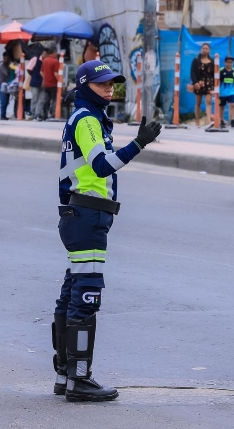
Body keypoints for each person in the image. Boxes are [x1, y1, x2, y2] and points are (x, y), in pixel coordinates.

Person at [51, 60, 163, 402]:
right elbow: (100, 166)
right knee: (86, 294)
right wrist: (138, 144)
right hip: (87, 215)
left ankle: (65, 376)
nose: (109, 88)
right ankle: (79, 380)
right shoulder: (87, 120)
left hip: (81, 213)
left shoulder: (86, 116)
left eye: (112, 82)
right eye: (102, 83)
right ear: (85, 86)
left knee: (72, 291)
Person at [188, 43, 215, 126]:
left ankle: (208, 120)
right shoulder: (196, 60)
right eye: (203, 48)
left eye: (206, 48)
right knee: (198, 103)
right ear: (201, 49)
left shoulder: (212, 61)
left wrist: (214, 85)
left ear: (209, 50)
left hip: (209, 84)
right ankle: (197, 121)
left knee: (208, 102)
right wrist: (195, 82)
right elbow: (192, 72)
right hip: (199, 84)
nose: (204, 50)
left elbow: (214, 74)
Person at [38, 50, 61, 121]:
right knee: (54, 100)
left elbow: (41, 72)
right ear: (54, 52)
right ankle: (53, 114)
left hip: (46, 84)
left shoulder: (45, 61)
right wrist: (60, 81)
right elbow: (56, 73)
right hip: (53, 84)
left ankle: (44, 114)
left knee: (46, 100)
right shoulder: (55, 61)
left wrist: (46, 77)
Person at [219, 56, 234, 127]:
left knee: (232, 105)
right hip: (222, 93)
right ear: (225, 62)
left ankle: (232, 120)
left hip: (231, 92)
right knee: (222, 107)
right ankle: (221, 120)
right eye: (228, 62)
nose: (229, 64)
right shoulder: (221, 70)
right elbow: (218, 81)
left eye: (231, 62)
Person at [26, 51, 44, 120]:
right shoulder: (35, 59)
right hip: (35, 82)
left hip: (43, 83)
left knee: (41, 99)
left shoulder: (45, 60)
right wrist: (33, 75)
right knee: (35, 98)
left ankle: (38, 114)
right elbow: (28, 68)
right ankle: (33, 113)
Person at [0, 52, 14, 120]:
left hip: (6, 85)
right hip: (1, 85)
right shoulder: (2, 66)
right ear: (4, 58)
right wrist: (12, 67)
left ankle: (4, 115)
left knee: (6, 101)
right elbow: (7, 73)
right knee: (3, 101)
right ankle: (2, 115)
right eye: (7, 58)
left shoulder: (8, 65)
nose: (8, 59)